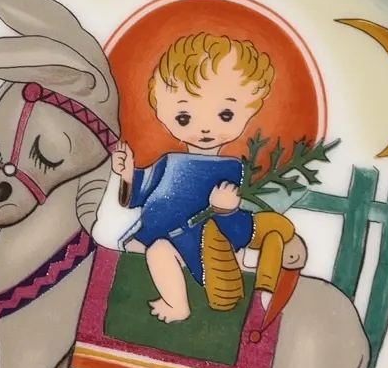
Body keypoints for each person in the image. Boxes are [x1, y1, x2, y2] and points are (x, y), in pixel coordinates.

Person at [112, 33, 275, 323]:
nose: (205, 128)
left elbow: (242, 230)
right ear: (162, 112)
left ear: (249, 110)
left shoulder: (234, 171)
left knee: (159, 252)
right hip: (151, 238)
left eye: (225, 114)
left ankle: (178, 306)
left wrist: (227, 210)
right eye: (185, 117)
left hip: (202, 252)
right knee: (133, 253)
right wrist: (126, 176)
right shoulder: (168, 163)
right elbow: (137, 197)